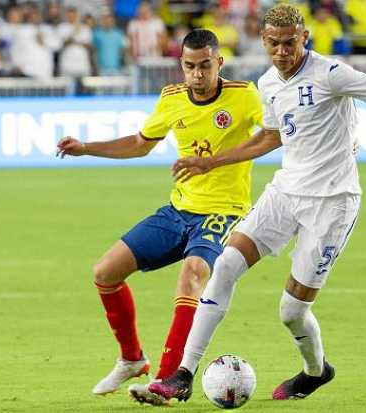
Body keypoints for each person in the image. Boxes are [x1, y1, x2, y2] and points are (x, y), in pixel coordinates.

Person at [148, 3, 366, 404]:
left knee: (291, 311)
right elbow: (269, 137)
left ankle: (316, 370)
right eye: (273, 44)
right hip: (286, 191)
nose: (282, 52)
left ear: (304, 38)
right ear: (263, 41)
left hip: (333, 202)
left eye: (289, 43)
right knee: (225, 265)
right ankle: (183, 374)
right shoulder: (268, 83)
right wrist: (210, 162)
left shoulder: (331, 74)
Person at [55, 29, 262, 405]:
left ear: (219, 62)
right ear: (181, 66)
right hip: (178, 209)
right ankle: (132, 359)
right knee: (105, 273)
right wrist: (87, 148)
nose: (197, 75)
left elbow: (276, 133)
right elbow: (140, 143)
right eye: (189, 67)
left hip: (223, 211)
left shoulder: (244, 95)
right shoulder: (172, 98)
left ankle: (169, 380)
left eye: (204, 66)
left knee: (193, 274)